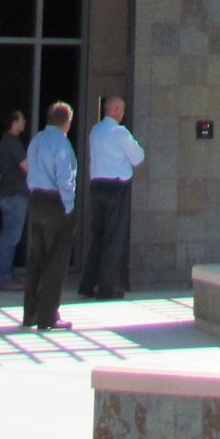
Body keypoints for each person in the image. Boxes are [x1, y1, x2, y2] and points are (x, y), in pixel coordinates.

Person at [20, 100, 79, 331]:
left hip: (35, 199)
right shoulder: (61, 144)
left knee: (37, 257)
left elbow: (30, 171)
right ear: (67, 122)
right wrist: (69, 207)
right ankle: (48, 316)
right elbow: (65, 178)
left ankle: (30, 313)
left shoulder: (36, 140)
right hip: (55, 202)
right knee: (56, 261)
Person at [80, 94, 147, 298]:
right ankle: (107, 287)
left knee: (98, 236)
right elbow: (139, 157)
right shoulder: (120, 132)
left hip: (97, 185)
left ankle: (87, 284)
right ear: (116, 110)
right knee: (114, 237)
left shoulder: (95, 131)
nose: (123, 113)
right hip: (116, 187)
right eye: (122, 109)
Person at [0, 108, 29, 290]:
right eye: (21, 119)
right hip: (14, 195)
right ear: (13, 122)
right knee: (10, 236)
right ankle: (3, 277)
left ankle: (6, 273)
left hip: (10, 194)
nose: (24, 122)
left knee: (10, 234)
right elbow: (26, 166)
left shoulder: (8, 142)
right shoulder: (11, 142)